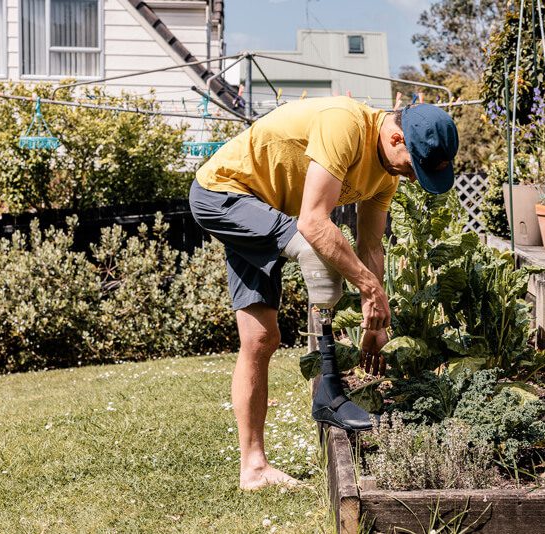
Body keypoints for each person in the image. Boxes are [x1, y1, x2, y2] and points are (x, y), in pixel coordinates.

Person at [189, 96, 458, 490]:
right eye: (415, 167)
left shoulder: (385, 174)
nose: (415, 178)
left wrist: (376, 317)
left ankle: (253, 468)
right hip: (223, 194)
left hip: (266, 212)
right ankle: (329, 393)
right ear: (396, 137)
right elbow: (313, 221)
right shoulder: (344, 124)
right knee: (317, 254)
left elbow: (370, 247)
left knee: (261, 339)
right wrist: (367, 287)